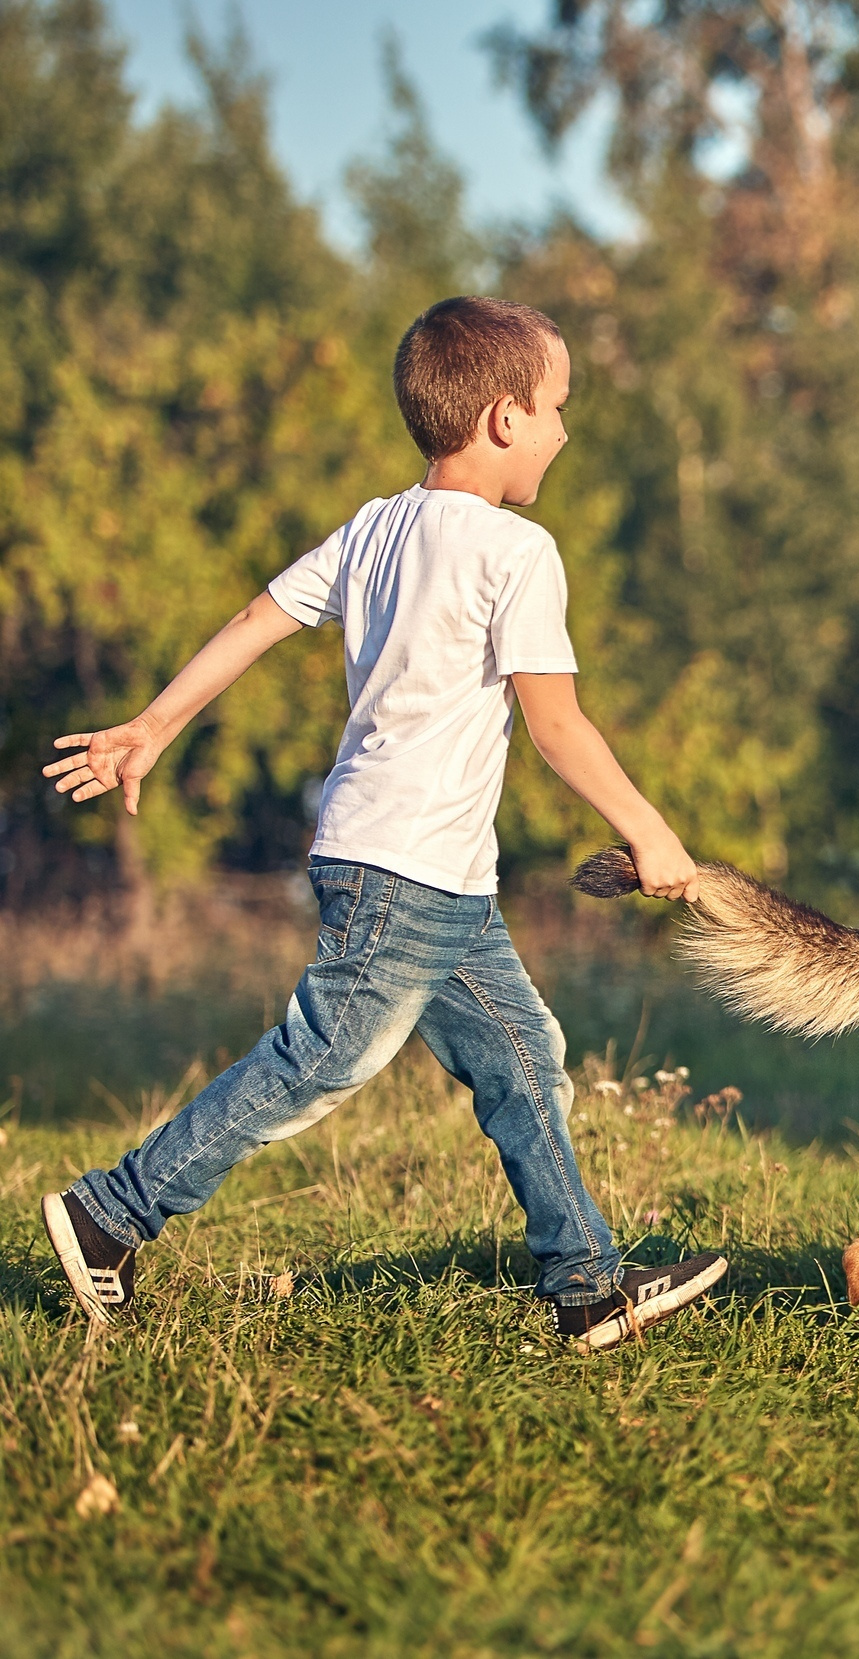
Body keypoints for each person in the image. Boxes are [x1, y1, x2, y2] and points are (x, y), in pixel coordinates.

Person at [39, 296, 723, 1350]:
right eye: (556, 408)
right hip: (403, 869)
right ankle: (110, 1215)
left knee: (523, 1058)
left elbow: (256, 618)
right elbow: (554, 722)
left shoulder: (375, 526)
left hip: (424, 868)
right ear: (503, 417)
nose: (563, 431)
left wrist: (156, 723)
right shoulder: (515, 550)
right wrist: (652, 830)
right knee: (323, 1060)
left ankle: (586, 1286)